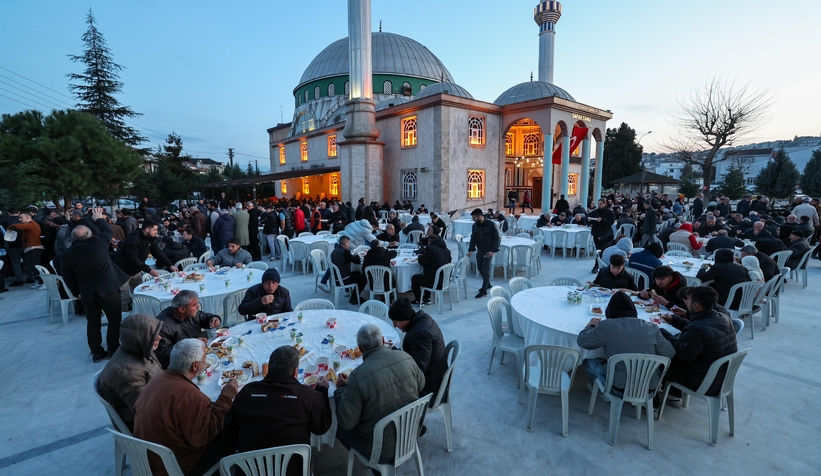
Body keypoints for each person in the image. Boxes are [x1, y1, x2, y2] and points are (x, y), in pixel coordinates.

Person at [134, 339, 238, 476]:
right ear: (195, 366)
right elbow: (203, 436)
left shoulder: (157, 379)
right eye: (205, 358)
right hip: (175, 467)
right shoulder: (189, 396)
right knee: (233, 424)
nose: (206, 361)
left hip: (146, 460)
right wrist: (225, 398)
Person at [223, 346, 331, 476]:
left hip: (249, 471)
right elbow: (321, 427)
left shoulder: (246, 392)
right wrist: (323, 391)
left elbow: (229, 435)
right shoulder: (307, 395)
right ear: (295, 372)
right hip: (294, 470)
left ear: (269, 368)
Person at [335, 324, 426, 466]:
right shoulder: (405, 356)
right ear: (383, 341)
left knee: (337, 427)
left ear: (360, 348)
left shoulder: (357, 376)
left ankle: (376, 468)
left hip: (380, 450)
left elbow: (346, 422)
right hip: (411, 434)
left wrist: (340, 389)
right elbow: (421, 384)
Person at [55, 208, 130, 362]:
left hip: (87, 293)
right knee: (114, 320)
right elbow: (107, 230)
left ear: (73, 238)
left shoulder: (65, 255)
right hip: (108, 289)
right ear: (90, 236)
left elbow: (68, 278)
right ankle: (113, 348)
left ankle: (96, 352)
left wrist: (76, 293)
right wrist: (98, 218)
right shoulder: (98, 243)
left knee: (93, 323)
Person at [577, 291, 675, 400]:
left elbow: (583, 342)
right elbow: (669, 352)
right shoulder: (651, 327)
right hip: (649, 389)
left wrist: (590, 326)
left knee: (587, 360)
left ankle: (602, 391)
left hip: (619, 388)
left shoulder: (608, 325)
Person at [658, 286, 737, 403]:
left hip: (705, 381)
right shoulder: (722, 317)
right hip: (722, 377)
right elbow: (700, 331)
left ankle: (670, 395)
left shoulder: (697, 329)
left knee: (661, 358)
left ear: (696, 305)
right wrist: (675, 320)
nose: (686, 303)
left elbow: (683, 353)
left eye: (688, 300)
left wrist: (661, 332)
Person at [97, 314, 163, 429]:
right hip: (141, 424)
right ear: (139, 340)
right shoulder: (126, 372)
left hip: (156, 398)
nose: (159, 338)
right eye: (154, 336)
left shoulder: (137, 348)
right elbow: (146, 410)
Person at [389, 298, 447, 398]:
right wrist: (394, 351)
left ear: (406, 319)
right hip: (434, 376)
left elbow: (417, 370)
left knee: (385, 388)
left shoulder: (420, 334)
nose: (394, 326)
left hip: (430, 388)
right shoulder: (423, 319)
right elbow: (416, 357)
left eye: (396, 321)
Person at [155, 290, 222, 369]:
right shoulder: (162, 325)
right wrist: (190, 345)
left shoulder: (191, 313)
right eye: (195, 305)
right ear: (182, 309)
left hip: (200, 357)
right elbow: (161, 354)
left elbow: (204, 317)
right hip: (182, 367)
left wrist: (214, 318)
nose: (198, 307)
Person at [113, 219, 177, 291]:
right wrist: (149, 270)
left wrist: (170, 264)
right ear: (147, 229)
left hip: (137, 269)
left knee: (139, 291)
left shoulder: (151, 238)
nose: (157, 232)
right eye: (155, 230)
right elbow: (133, 258)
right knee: (125, 296)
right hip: (123, 270)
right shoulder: (133, 239)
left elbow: (157, 252)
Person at [467, 208, 501, 299]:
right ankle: (488, 284)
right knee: (479, 268)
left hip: (488, 251)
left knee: (486, 271)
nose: (473, 220)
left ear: (479, 216)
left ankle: (484, 291)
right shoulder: (475, 226)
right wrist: (471, 250)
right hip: (480, 250)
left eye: (474, 218)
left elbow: (497, 238)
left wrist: (493, 251)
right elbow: (473, 238)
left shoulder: (491, 225)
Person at [411, 233, 451, 305]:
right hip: (444, 280)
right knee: (427, 274)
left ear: (429, 241)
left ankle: (418, 300)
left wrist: (420, 256)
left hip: (434, 282)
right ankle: (427, 298)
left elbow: (422, 262)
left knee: (415, 278)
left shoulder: (430, 249)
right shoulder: (447, 250)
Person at [7, 210, 44, 285]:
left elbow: (19, 226)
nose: (19, 219)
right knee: (32, 266)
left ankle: (44, 282)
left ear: (27, 217)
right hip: (31, 248)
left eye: (21, 218)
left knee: (35, 266)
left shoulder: (32, 224)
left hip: (34, 248)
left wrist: (11, 226)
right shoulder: (30, 225)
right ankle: (41, 282)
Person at [331, 235, 367, 304]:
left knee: (358, 273)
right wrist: (357, 254)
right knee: (364, 278)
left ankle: (353, 295)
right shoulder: (345, 252)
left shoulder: (335, 250)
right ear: (345, 244)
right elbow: (357, 261)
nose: (349, 245)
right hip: (343, 278)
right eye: (348, 244)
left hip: (336, 277)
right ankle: (354, 298)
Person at [588, 199, 616, 272]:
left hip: (605, 234)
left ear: (604, 204)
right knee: (598, 250)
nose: (599, 205)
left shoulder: (609, 212)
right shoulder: (596, 211)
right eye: (598, 203)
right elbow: (588, 216)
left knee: (601, 250)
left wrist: (602, 220)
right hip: (596, 233)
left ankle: (597, 265)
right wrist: (589, 219)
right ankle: (599, 265)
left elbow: (611, 222)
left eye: (600, 204)